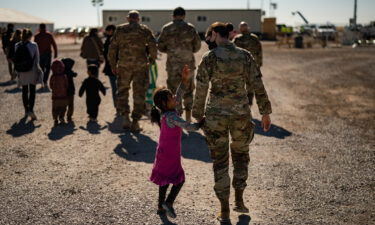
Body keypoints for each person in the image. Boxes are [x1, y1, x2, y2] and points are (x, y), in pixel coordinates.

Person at [192, 22, 272, 223]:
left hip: (216, 116)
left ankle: (224, 209)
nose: (209, 37)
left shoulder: (210, 58)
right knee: (241, 155)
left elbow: (201, 88)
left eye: (210, 34)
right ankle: (239, 200)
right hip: (240, 115)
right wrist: (265, 112)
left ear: (217, 34)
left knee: (220, 160)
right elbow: (257, 83)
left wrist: (197, 113)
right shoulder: (244, 55)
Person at [150, 65, 204, 218]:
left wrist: (184, 80)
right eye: (171, 98)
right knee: (179, 179)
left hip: (164, 153)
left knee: (164, 180)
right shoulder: (172, 117)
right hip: (169, 155)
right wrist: (201, 123)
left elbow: (179, 94)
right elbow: (188, 126)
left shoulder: (168, 112)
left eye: (173, 96)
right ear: (164, 104)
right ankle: (168, 203)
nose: (174, 98)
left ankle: (161, 207)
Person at [108, 10, 157, 132]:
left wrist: (113, 65)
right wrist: (151, 59)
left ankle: (125, 118)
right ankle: (135, 121)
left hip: (124, 66)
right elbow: (153, 46)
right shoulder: (144, 29)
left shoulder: (119, 30)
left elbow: (112, 49)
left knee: (122, 91)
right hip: (140, 66)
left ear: (128, 18)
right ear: (138, 19)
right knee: (139, 93)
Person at [157, 7, 201, 122]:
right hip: (188, 64)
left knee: (173, 91)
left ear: (173, 15)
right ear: (184, 15)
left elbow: (160, 46)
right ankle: (188, 117)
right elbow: (197, 46)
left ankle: (177, 117)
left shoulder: (167, 28)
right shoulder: (190, 28)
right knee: (189, 89)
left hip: (173, 65)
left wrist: (171, 51)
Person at [14, 29, 43, 120]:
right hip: (32, 70)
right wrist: (39, 71)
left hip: (22, 71)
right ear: (30, 36)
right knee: (32, 91)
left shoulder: (17, 45)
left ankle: (26, 110)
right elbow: (37, 59)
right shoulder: (34, 45)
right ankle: (31, 110)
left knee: (24, 91)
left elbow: (16, 59)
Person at [233, 21, 263, 106]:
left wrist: (259, 64)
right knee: (246, 85)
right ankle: (246, 104)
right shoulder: (239, 38)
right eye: (242, 27)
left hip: (246, 66)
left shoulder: (251, 38)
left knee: (245, 85)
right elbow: (259, 52)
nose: (243, 28)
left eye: (243, 27)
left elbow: (259, 51)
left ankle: (246, 104)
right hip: (245, 66)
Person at [34, 23, 58, 89]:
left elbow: (34, 47)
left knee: (43, 68)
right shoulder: (47, 35)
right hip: (46, 54)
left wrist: (34, 55)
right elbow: (54, 44)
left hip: (43, 54)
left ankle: (43, 82)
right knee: (46, 68)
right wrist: (55, 53)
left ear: (40, 27)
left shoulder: (38, 35)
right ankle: (44, 82)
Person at [49, 59, 69, 126]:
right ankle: (61, 116)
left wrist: (54, 89)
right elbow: (66, 85)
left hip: (55, 96)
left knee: (55, 108)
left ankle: (55, 119)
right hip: (63, 95)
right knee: (63, 107)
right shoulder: (64, 76)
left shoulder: (53, 77)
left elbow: (51, 85)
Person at [103, 24, 117, 109]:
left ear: (111, 30)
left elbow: (106, 54)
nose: (107, 32)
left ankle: (117, 106)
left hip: (111, 67)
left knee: (115, 88)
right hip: (119, 67)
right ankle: (120, 107)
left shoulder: (110, 40)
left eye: (108, 31)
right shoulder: (119, 39)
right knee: (119, 88)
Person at [61, 58, 77, 122]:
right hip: (71, 90)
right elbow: (75, 74)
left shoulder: (62, 72)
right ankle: (69, 116)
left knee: (63, 105)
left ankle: (61, 116)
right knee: (71, 105)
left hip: (63, 91)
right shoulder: (70, 72)